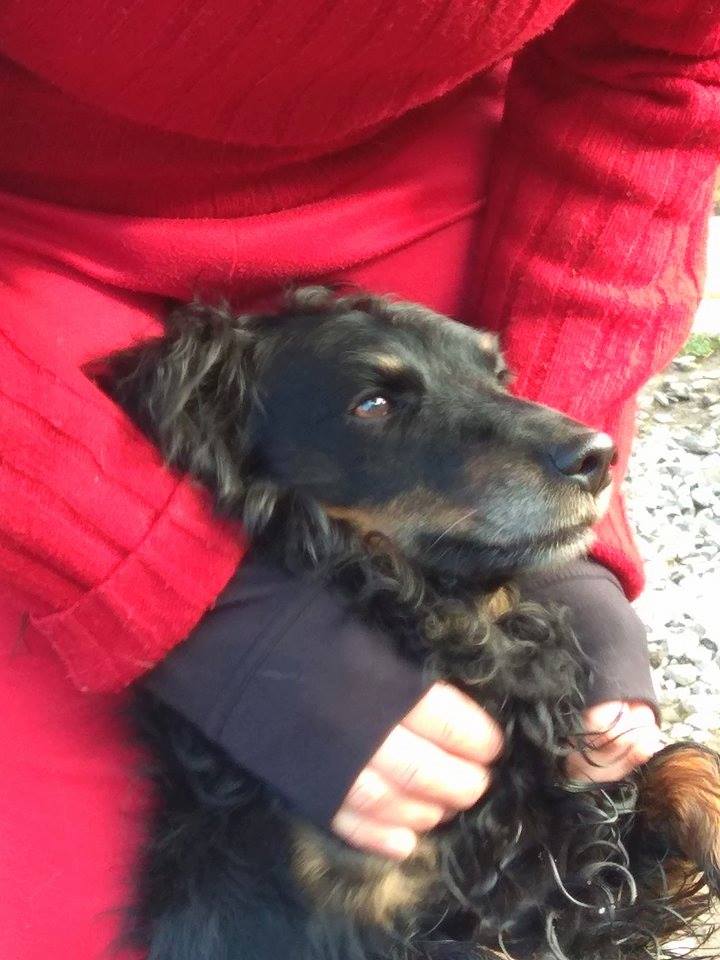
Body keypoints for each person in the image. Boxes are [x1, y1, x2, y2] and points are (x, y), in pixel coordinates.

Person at [0, 1, 717, 957]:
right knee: (55, 913)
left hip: (420, 189)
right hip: (33, 256)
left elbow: (658, 69)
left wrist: (560, 558)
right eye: (382, 404)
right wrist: (202, 612)